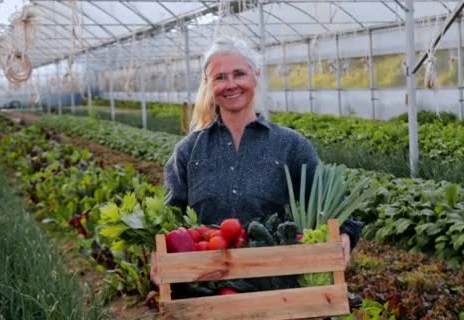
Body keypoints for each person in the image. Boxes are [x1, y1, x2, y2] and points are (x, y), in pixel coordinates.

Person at [152, 37, 362, 287]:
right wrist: (158, 254)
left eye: (239, 74)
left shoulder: (290, 145)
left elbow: (331, 202)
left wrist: (344, 234)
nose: (230, 85)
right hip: (207, 290)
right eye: (219, 77)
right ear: (208, 84)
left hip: (277, 288)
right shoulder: (188, 151)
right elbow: (172, 219)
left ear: (256, 76)